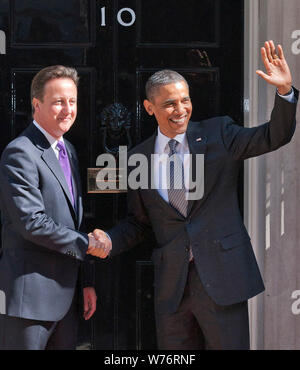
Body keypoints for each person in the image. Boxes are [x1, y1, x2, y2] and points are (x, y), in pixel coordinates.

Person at [89, 41, 298, 349]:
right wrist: (109, 241)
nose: (180, 110)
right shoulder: (137, 158)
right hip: (172, 291)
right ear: (150, 108)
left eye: (185, 100)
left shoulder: (219, 134)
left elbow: (273, 136)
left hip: (223, 280)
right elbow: (140, 223)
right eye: (170, 103)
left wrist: (285, 93)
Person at [0, 65, 99, 350]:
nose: (68, 109)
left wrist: (86, 282)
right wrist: (89, 244)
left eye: (72, 101)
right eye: (58, 102)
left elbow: (72, 219)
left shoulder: (67, 150)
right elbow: (32, 223)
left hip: (66, 298)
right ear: (36, 104)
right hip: (29, 300)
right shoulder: (21, 152)